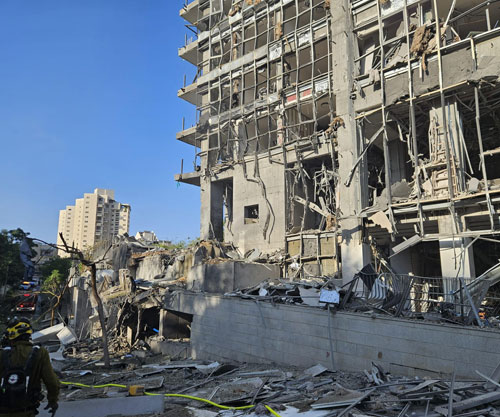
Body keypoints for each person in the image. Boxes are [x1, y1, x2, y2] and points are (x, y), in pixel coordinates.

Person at [0, 318, 59, 417]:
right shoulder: (40, 353)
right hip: (26, 410)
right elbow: (52, 382)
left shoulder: (2, 354)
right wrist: (53, 401)